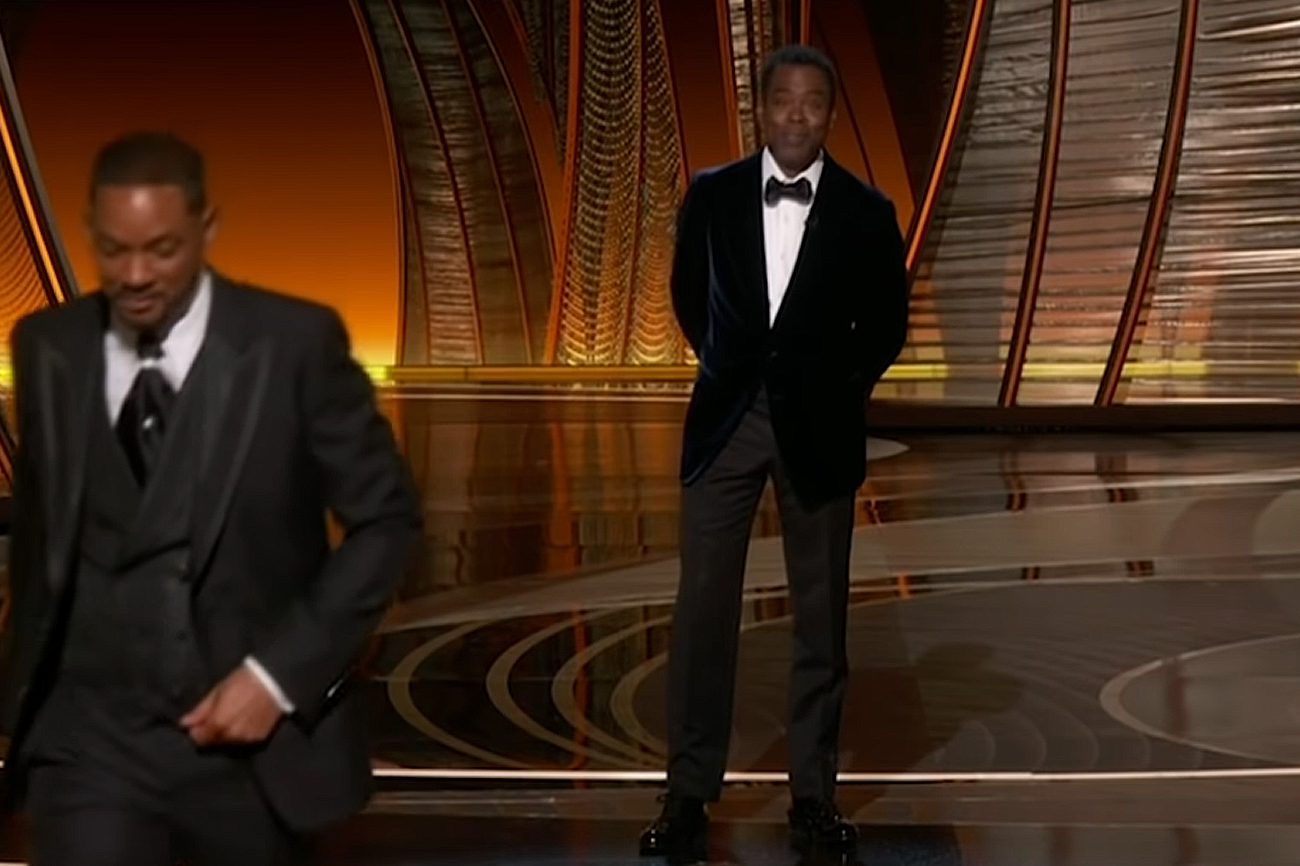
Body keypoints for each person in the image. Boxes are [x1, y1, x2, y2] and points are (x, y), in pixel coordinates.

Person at [0, 132, 423, 865]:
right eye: (114, 251)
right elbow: (46, 535)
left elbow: (387, 524)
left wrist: (276, 678)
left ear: (207, 228)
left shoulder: (294, 344)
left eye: (161, 250)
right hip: (87, 748)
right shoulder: (47, 346)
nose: (135, 275)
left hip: (247, 757)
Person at [640, 44, 909, 863]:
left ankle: (813, 795)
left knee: (821, 619)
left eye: (813, 101)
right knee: (703, 611)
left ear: (829, 114)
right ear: (761, 109)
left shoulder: (867, 211)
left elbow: (886, 325)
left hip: (820, 430)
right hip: (727, 422)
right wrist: (731, 367)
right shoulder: (712, 194)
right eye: (784, 99)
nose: (797, 113)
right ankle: (687, 793)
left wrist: (834, 388)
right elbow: (690, 297)